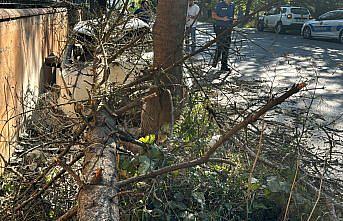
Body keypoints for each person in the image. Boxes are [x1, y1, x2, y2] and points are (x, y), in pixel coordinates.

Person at [211, 0, 235, 71]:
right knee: (220, 46)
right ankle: (214, 62)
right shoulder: (219, 4)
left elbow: (232, 15)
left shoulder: (232, 5)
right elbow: (213, 15)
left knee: (226, 46)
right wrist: (222, 19)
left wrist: (233, 20)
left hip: (228, 28)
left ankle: (224, 66)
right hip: (219, 28)